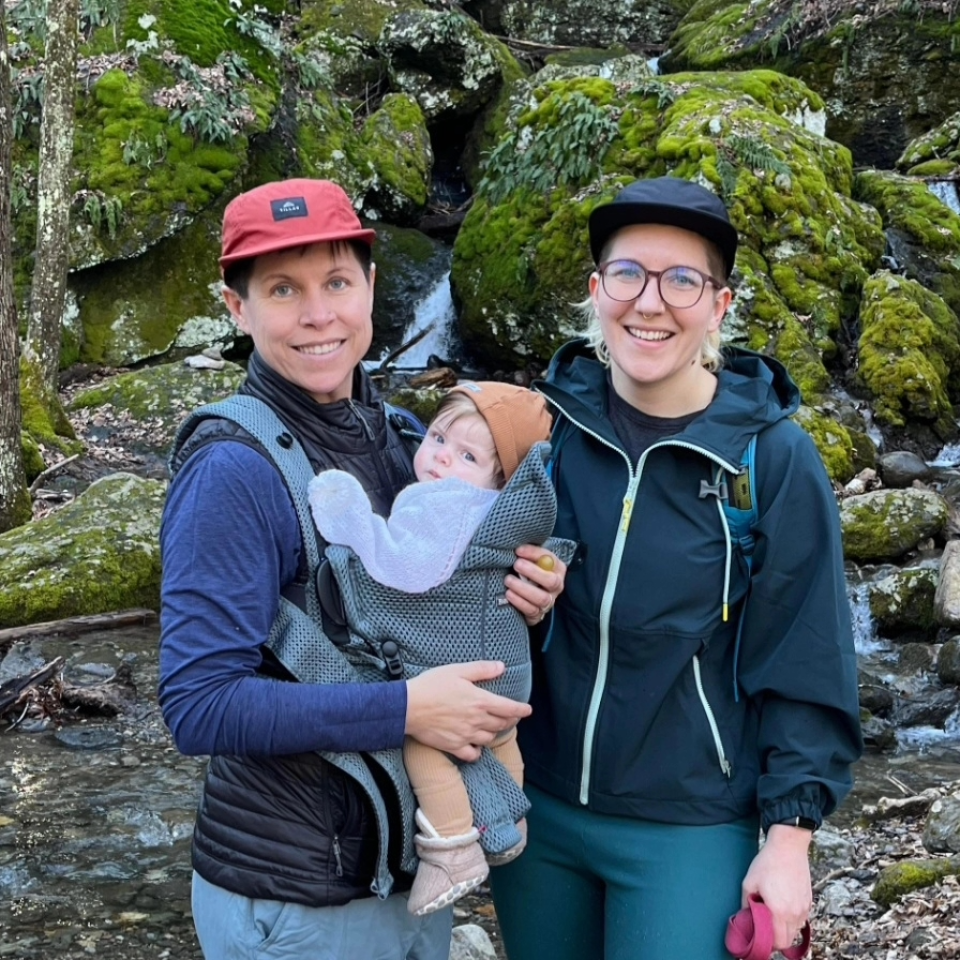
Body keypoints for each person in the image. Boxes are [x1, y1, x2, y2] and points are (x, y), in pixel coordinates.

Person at [157, 178, 566, 960]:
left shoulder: (405, 438)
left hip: (398, 879)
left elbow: (431, 598)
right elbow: (199, 705)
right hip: (294, 901)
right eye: (284, 289)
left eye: (337, 282)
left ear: (371, 287)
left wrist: (523, 589)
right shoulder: (230, 473)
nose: (319, 315)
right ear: (236, 308)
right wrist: (406, 709)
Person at [489, 176, 863, 960]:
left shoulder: (771, 459)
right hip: (536, 807)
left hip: (689, 825)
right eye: (628, 274)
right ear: (597, 291)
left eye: (682, 279)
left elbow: (807, 658)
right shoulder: (544, 432)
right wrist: (517, 600)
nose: (650, 303)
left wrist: (789, 840)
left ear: (720, 305)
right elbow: (449, 581)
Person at [308, 382, 571, 917]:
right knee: (499, 740)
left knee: (423, 742)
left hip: (462, 671)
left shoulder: (447, 506)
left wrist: (349, 517)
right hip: (506, 671)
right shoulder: (500, 511)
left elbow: (404, 566)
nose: (443, 457)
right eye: (438, 437)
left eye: (469, 456)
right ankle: (506, 824)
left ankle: (453, 847)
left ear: (502, 478)